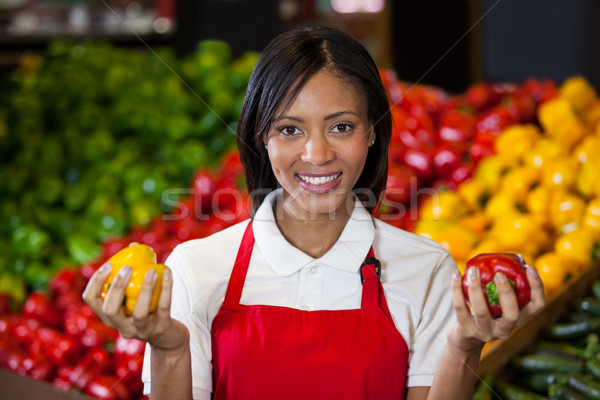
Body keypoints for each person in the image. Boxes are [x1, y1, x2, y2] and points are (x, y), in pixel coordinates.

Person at [83, 27, 546, 399]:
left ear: (373, 132)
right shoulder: (195, 267)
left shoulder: (427, 270)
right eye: (289, 129)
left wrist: (465, 342)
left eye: (341, 126)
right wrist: (168, 347)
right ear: (261, 138)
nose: (317, 153)